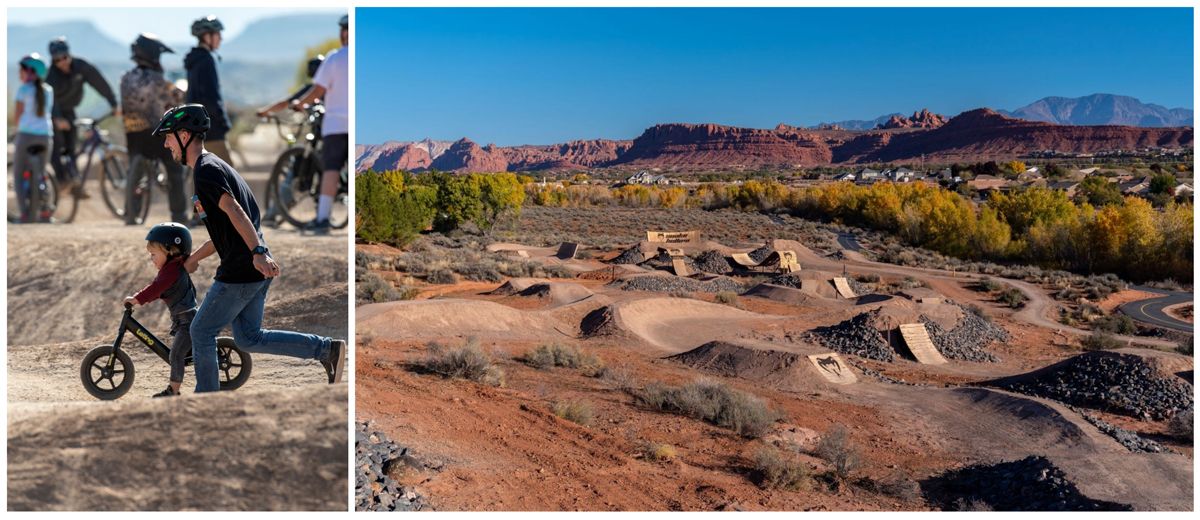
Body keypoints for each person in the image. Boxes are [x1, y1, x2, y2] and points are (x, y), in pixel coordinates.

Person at [150, 104, 345, 392]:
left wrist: (257, 253)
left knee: (200, 331)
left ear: (184, 134)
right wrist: (194, 259)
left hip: (242, 269)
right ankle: (327, 350)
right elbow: (225, 230)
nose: (166, 144)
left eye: (168, 136)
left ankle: (205, 399)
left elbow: (235, 211)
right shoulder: (214, 166)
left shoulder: (206, 171)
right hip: (252, 266)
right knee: (249, 338)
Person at [289, 15, 348, 234]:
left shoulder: (335, 58)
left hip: (335, 124)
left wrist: (300, 104)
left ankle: (323, 218)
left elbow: (318, 90)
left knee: (331, 169)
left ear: (343, 32)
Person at [120, 33, 188, 224]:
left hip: (133, 134)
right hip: (156, 134)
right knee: (175, 172)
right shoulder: (157, 79)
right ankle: (179, 215)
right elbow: (173, 99)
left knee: (136, 171)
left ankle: (130, 211)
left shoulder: (125, 78)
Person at [124, 223, 197, 397]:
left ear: (170, 250)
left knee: (175, 355)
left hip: (187, 322)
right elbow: (161, 290)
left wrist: (137, 299)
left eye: (154, 254)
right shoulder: (171, 269)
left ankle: (173, 391)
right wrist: (143, 299)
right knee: (181, 353)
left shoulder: (170, 272)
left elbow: (156, 288)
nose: (151, 258)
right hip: (183, 320)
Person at [254, 54, 325, 227]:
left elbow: (286, 103)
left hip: (320, 133)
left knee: (297, 168)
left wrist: (265, 112)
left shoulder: (312, 88)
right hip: (334, 133)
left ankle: (272, 214)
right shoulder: (336, 86)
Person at [45, 36, 120, 197]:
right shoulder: (51, 75)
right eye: (57, 60)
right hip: (53, 111)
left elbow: (99, 83)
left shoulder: (81, 67)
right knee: (57, 145)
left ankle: (75, 185)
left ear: (69, 55)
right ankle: (61, 179)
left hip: (70, 110)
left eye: (64, 58)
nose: (62, 62)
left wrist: (113, 103)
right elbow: (50, 99)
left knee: (72, 147)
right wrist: (57, 118)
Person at [184, 16, 235, 167]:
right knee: (230, 178)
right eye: (218, 34)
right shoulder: (206, 60)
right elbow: (210, 97)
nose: (221, 38)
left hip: (196, 127)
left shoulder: (194, 60)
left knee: (202, 175)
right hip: (211, 128)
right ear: (207, 36)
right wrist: (222, 122)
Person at [12, 54, 55, 223]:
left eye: (21, 70)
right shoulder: (48, 90)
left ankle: (24, 214)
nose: (19, 74)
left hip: (26, 135)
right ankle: (46, 210)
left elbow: (17, 115)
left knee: (17, 174)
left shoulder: (23, 90)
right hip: (45, 136)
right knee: (42, 173)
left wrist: (16, 130)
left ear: (30, 71)